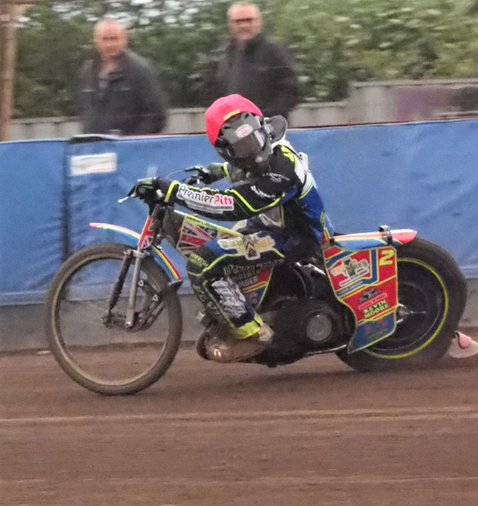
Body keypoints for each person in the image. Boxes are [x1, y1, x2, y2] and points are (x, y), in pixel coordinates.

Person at [128, 94, 332, 362]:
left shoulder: (282, 168)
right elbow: (243, 166)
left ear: (262, 126)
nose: (253, 151)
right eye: (241, 147)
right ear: (225, 150)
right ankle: (243, 308)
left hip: (295, 237)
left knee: (203, 262)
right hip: (272, 226)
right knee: (223, 243)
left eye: (255, 140)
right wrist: (215, 171)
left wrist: (175, 191)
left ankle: (252, 334)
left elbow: (233, 204)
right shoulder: (265, 147)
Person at [208, 3, 302, 119]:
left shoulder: (275, 52)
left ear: (259, 22)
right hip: (232, 130)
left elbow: (291, 91)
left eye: (248, 20)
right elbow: (211, 94)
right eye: (238, 21)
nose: (243, 25)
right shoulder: (222, 56)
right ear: (230, 24)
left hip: (269, 129)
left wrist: (262, 118)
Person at [78, 18, 168, 135]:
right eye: (105, 39)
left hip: (130, 148)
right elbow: (84, 112)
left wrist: (131, 142)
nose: (110, 44)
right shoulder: (88, 72)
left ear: (125, 39)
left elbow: (156, 115)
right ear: (96, 41)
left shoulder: (139, 70)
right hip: (95, 147)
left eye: (115, 38)